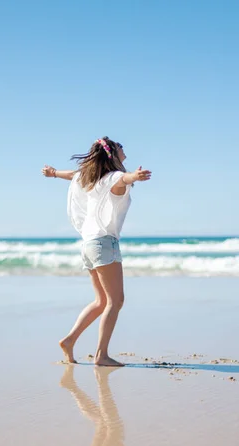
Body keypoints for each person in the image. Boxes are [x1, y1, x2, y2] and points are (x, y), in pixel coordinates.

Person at [42, 137, 151, 367]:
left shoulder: (91, 178)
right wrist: (136, 176)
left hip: (89, 244)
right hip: (104, 242)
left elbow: (73, 175)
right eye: (121, 148)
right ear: (112, 153)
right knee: (115, 301)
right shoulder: (112, 178)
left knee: (101, 301)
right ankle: (101, 355)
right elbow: (124, 177)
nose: (125, 151)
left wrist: (54, 174)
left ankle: (69, 340)